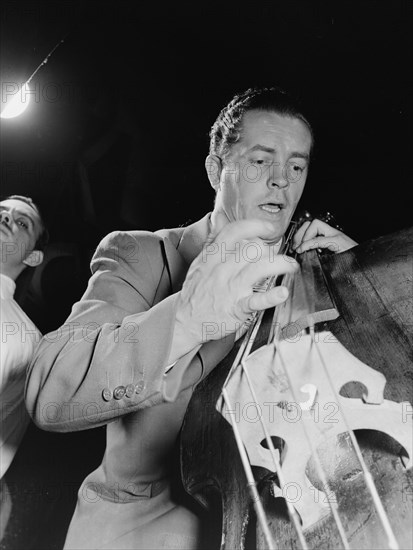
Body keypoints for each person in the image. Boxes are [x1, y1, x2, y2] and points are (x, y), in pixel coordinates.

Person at [26, 87, 357, 549]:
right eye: (261, 161)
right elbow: (51, 389)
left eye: (297, 166)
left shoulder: (308, 267)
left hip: (278, 523)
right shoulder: (140, 254)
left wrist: (363, 291)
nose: (283, 180)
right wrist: (188, 316)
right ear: (215, 170)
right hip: (141, 525)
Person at [0, 195, 48, 540]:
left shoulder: (24, 339)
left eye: (22, 223)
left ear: (33, 256)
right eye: (2, 214)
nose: (6, 221)